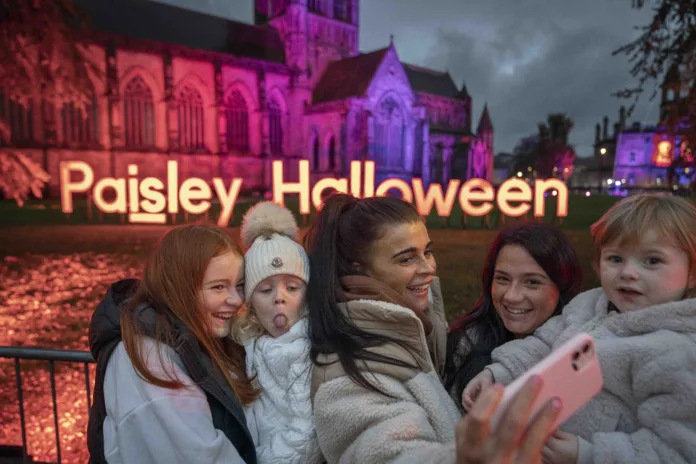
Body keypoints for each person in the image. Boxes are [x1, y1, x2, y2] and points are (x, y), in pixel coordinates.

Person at [304, 193, 562, 464]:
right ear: (360, 270)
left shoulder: (418, 329)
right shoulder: (347, 378)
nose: (428, 268)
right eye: (406, 259)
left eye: (427, 251)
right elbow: (386, 449)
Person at [464, 194, 696, 464]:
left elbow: (675, 451)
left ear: (692, 273)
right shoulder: (590, 304)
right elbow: (542, 344)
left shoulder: (678, 353)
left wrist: (587, 454)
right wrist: (498, 373)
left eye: (652, 261)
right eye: (616, 259)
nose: (628, 272)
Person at [87, 223, 258, 463]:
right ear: (180, 289)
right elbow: (199, 455)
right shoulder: (149, 359)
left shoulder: (199, 336)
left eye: (239, 285)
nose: (236, 299)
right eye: (218, 287)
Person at [444, 223, 583, 410]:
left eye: (532, 282)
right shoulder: (465, 345)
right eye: (503, 278)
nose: (511, 296)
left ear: (562, 286)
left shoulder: (582, 351)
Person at [232, 201, 323, 464]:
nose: (279, 299)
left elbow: (307, 434)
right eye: (265, 290)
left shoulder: (306, 349)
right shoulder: (245, 342)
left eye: (292, 288)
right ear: (249, 301)